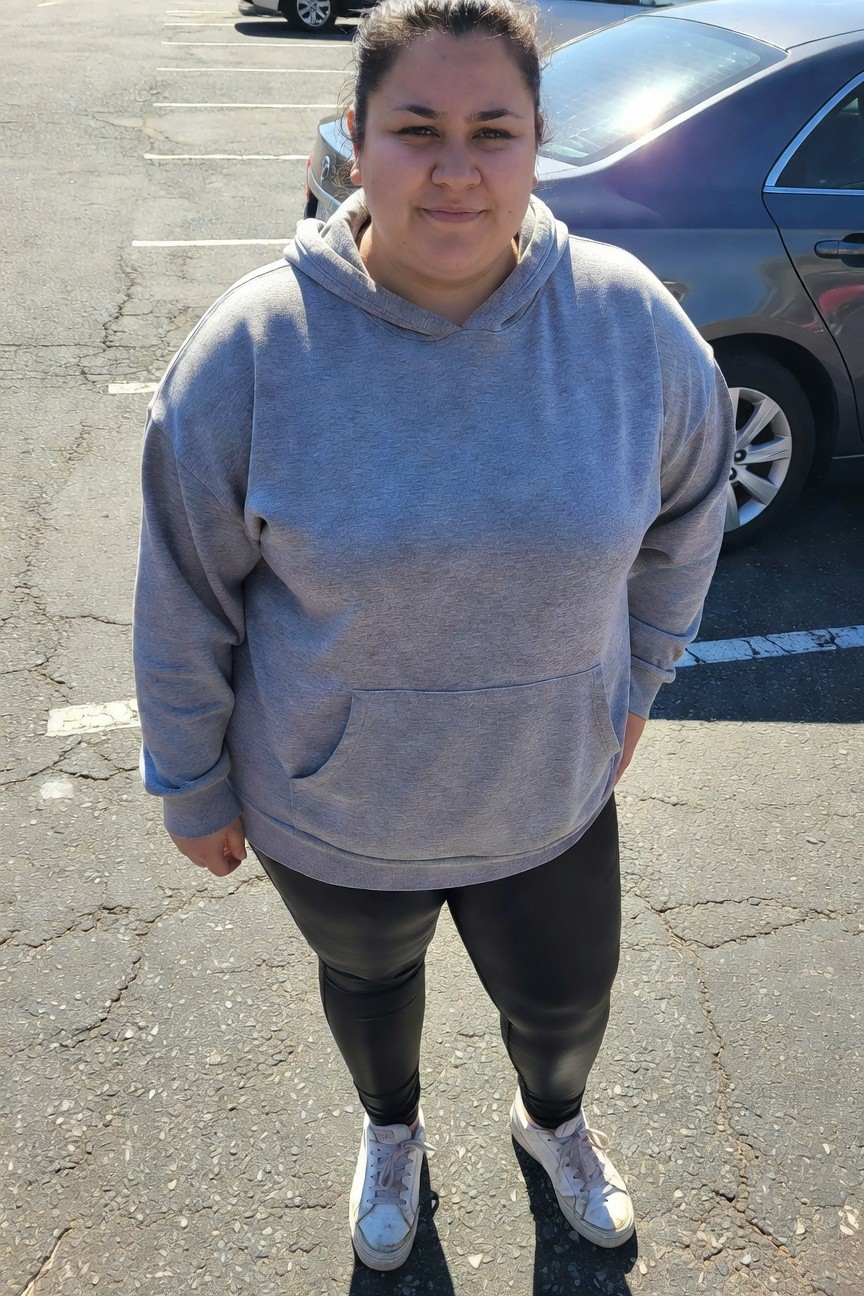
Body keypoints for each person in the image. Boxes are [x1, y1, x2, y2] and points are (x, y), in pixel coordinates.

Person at [133, 0, 735, 1272]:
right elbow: (187, 588)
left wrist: (641, 676)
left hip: (549, 789)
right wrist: (190, 782)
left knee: (565, 1007)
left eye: (492, 132)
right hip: (333, 803)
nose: (456, 169)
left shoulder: (626, 327)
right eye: (417, 129)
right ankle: (391, 1130)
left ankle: (551, 1123)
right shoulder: (252, 349)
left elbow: (694, 501)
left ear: (534, 145)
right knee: (370, 993)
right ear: (357, 140)